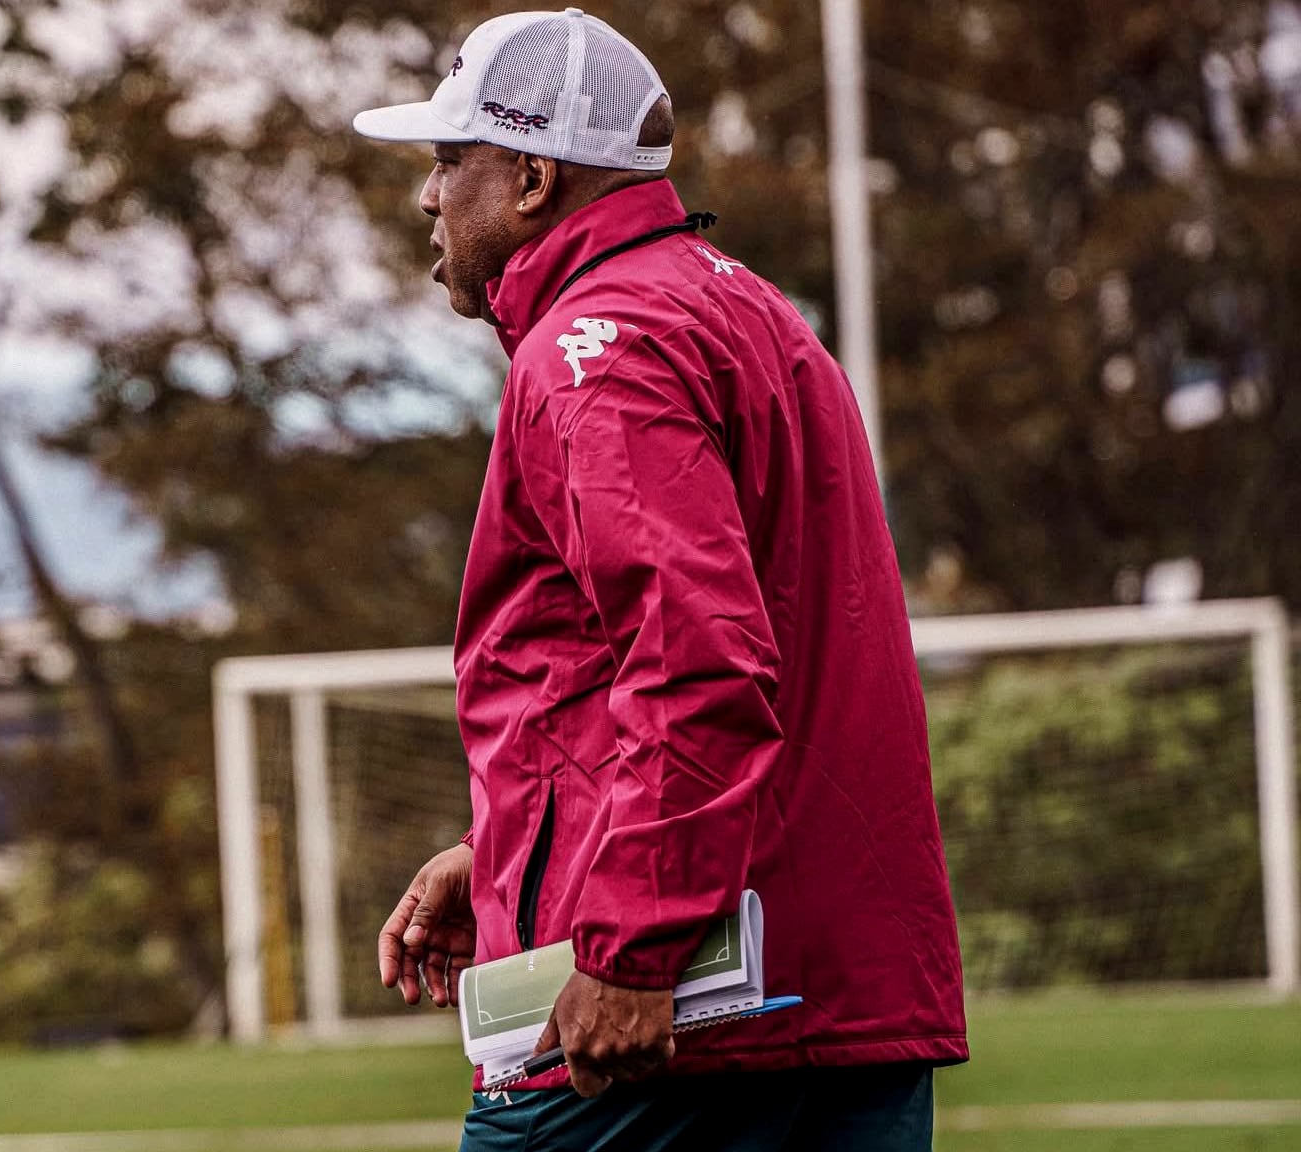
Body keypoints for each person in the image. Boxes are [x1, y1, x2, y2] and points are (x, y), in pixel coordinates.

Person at [354, 9, 968, 1149]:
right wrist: (504, 855)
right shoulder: (739, 306)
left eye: (448, 162)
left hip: (684, 1025)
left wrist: (629, 941)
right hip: (835, 995)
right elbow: (733, 652)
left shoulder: (599, 344)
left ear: (531, 177)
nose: (427, 198)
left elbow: (697, 659)